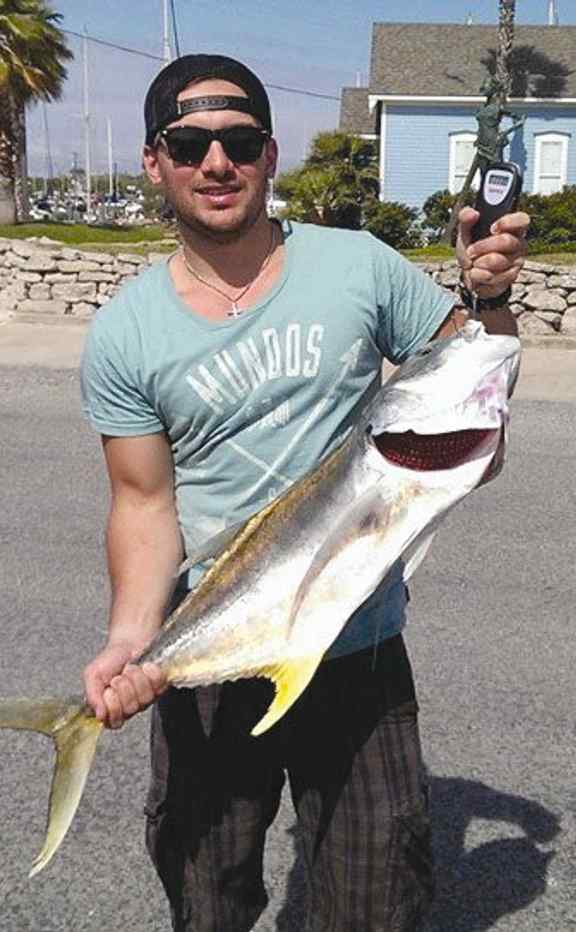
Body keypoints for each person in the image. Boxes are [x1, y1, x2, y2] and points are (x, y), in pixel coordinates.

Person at [80, 54, 529, 932]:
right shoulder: (124, 334)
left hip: (358, 648)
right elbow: (142, 503)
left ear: (271, 153)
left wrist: (495, 294)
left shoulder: (359, 267)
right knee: (207, 898)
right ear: (155, 162)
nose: (217, 163)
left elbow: (472, 378)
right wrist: (132, 642)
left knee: (375, 901)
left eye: (240, 141)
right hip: (210, 652)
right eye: (190, 144)